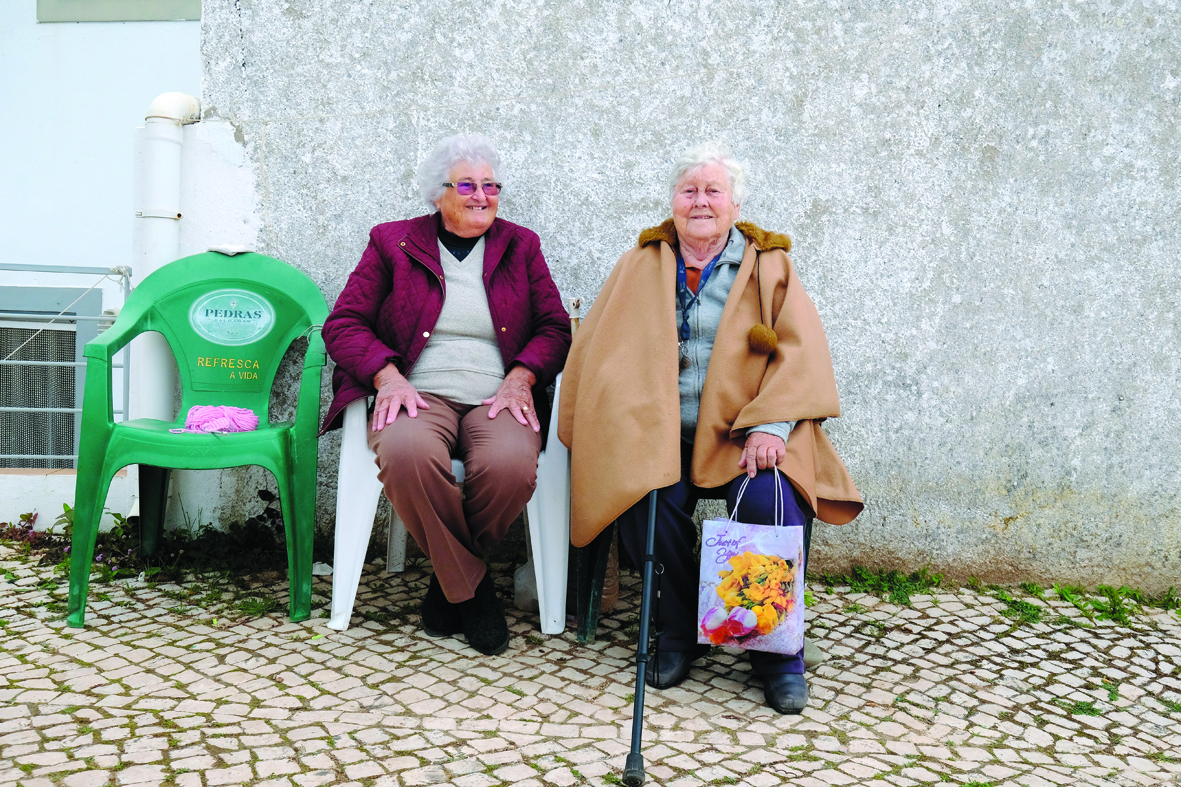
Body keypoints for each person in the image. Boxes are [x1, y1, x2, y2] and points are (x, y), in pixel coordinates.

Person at [558, 143, 862, 713]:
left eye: (712, 191)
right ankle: (679, 633)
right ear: (672, 202)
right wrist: (626, 423)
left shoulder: (769, 264)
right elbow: (601, 356)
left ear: (735, 203)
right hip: (664, 436)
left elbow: (800, 354)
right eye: (689, 190)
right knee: (645, 500)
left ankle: (775, 653)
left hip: (746, 438)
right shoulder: (639, 264)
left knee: (769, 501)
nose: (700, 201)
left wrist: (771, 426)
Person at [320, 134, 571, 656]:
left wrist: (522, 375)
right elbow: (344, 323)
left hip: (497, 396)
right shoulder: (392, 241)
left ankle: (447, 582)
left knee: (510, 466)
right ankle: (474, 593)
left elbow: (553, 326)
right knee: (406, 452)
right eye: (467, 184)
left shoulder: (521, 245)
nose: (482, 196)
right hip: (416, 392)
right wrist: (387, 376)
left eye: (490, 185)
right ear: (438, 193)